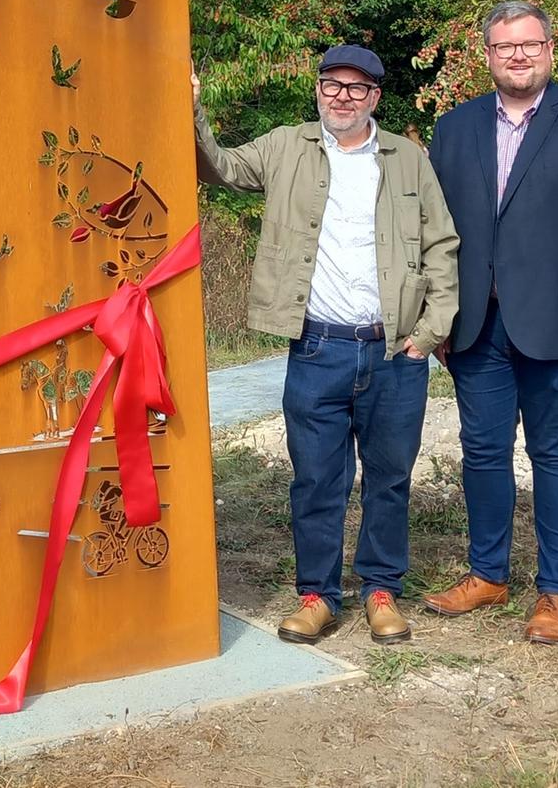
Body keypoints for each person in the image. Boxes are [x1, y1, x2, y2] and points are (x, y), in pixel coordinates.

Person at [194, 44, 460, 646]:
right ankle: (317, 595)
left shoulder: (407, 159)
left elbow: (442, 245)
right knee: (316, 478)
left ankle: (381, 591)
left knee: (390, 477)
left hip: (396, 352)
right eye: (332, 85)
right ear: (317, 89)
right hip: (317, 349)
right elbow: (221, 167)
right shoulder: (286, 146)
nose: (343, 96)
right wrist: (192, 111)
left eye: (357, 88)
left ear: (375, 98)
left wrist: (429, 334)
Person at [423, 0, 558, 644]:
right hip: (476, 328)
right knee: (483, 454)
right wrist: (438, 318)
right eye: (504, 46)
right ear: (486, 55)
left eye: (529, 44)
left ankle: (556, 591)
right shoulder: (455, 129)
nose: (518, 55)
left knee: (555, 454)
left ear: (550, 48)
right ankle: (488, 574)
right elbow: (435, 233)